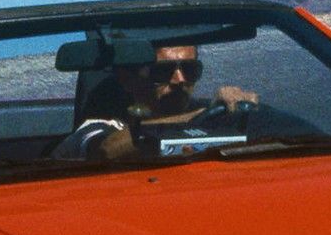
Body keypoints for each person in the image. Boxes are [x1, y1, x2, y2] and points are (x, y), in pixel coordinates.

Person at [57, 44, 257, 160]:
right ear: (128, 79)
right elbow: (107, 149)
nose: (180, 80)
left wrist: (244, 111)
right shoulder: (97, 128)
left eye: (190, 70)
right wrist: (200, 117)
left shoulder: (212, 114)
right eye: (163, 71)